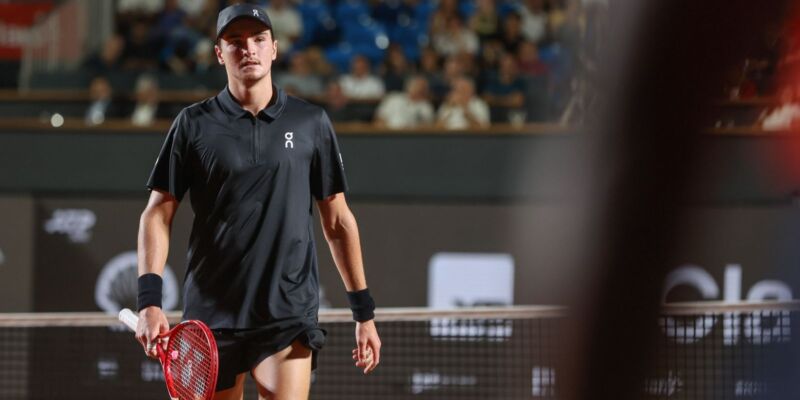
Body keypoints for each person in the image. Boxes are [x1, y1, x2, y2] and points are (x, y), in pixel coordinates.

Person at [134, 4, 381, 400]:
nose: (247, 48)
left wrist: (364, 313)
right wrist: (149, 301)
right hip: (211, 315)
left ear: (274, 48)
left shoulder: (310, 122)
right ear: (219, 53)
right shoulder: (193, 124)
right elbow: (157, 214)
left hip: (285, 312)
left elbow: (337, 221)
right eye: (234, 41)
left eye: (257, 39)